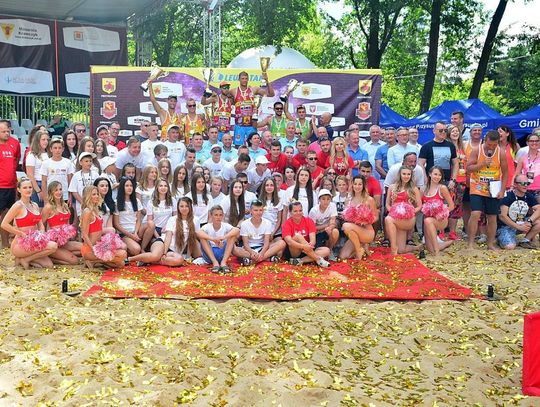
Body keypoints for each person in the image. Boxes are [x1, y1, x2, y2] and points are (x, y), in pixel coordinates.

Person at [1, 178, 57, 268]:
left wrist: (41, 234)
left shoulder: (35, 205)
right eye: (25, 188)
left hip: (35, 240)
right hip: (21, 243)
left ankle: (25, 259)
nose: (28, 190)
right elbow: (4, 224)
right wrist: (20, 233)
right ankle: (22, 257)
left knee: (48, 264)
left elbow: (40, 224)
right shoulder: (18, 206)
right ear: (19, 190)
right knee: (53, 246)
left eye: (30, 187)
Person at [467, 130, 508, 250]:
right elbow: (468, 168)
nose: (491, 147)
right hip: (477, 186)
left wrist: (502, 190)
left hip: (493, 188)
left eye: (494, 145)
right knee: (475, 213)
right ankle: (470, 244)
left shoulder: (501, 152)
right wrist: (482, 164)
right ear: (485, 140)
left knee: (492, 216)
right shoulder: (477, 150)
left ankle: (490, 244)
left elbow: (505, 173)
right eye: (489, 144)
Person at [127, 179, 175, 265]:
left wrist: (168, 228)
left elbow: (175, 217)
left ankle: (147, 259)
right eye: (161, 186)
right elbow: (150, 220)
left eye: (165, 186)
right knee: (157, 249)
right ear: (157, 188)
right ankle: (139, 252)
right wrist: (157, 236)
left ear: (168, 188)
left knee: (163, 253)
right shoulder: (151, 202)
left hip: (168, 230)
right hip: (155, 230)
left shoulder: (172, 200)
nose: (163, 188)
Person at [221, 71, 274, 146]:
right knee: (238, 146)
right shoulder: (234, 91)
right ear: (239, 79)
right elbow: (223, 98)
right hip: (239, 125)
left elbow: (271, 94)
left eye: (246, 78)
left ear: (248, 79)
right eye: (242, 78)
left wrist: (267, 80)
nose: (244, 80)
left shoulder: (254, 89)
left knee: (253, 145)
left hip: (251, 124)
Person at [80, 185, 127, 268]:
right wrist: (93, 249)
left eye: (97, 194)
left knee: (121, 264)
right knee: (123, 254)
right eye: (93, 194)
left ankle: (96, 262)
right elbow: (84, 235)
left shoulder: (95, 210)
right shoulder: (87, 212)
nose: (97, 196)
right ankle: (91, 259)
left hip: (99, 246)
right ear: (88, 196)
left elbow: (99, 231)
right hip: (90, 249)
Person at [234, 200, 286, 265]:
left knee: (282, 243)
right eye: (256, 210)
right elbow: (246, 244)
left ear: (263, 211)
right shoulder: (244, 224)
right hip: (248, 250)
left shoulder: (267, 223)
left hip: (262, 248)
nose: (258, 213)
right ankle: (268, 258)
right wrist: (252, 252)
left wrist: (262, 253)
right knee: (234, 249)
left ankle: (253, 261)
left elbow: (266, 244)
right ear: (251, 211)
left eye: (260, 210)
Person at [385, 166, 423, 255]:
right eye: (404, 174)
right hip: (395, 218)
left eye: (408, 174)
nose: (406, 176)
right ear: (400, 174)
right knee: (401, 250)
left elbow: (419, 206)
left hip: (408, 219)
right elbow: (387, 204)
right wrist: (393, 211)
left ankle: (393, 248)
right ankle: (417, 248)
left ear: (411, 175)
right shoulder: (392, 187)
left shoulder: (414, 189)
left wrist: (410, 211)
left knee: (388, 219)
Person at [340, 175, 378, 260]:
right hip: (353, 232)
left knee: (345, 226)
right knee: (343, 256)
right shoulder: (348, 200)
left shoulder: (369, 199)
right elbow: (346, 217)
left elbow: (376, 217)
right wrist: (351, 218)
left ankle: (358, 250)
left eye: (360, 184)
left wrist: (366, 220)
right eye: (355, 184)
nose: (357, 186)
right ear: (352, 185)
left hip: (367, 231)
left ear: (363, 185)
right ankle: (361, 247)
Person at [42, 181, 81, 265]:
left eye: (60, 189)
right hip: (54, 243)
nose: (59, 192)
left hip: (65, 242)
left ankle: (64, 254)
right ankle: (51, 257)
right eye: (56, 190)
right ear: (51, 192)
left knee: (83, 249)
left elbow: (68, 225)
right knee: (74, 261)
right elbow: (41, 224)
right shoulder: (48, 207)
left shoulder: (65, 205)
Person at [496, 174, 540, 250]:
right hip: (506, 226)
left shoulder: (528, 196)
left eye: (527, 183)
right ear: (515, 184)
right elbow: (502, 216)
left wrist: (529, 221)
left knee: (538, 222)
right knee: (510, 247)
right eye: (522, 183)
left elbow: (539, 208)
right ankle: (500, 238)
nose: (525, 185)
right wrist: (518, 227)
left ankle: (525, 240)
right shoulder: (508, 196)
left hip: (521, 223)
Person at [282, 201, 330, 267]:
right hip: (295, 251)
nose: (298, 213)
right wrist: (303, 247)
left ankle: (299, 261)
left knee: (326, 250)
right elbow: (289, 242)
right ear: (290, 213)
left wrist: (309, 245)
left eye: (300, 210)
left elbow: (313, 240)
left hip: (307, 250)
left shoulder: (309, 220)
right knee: (298, 236)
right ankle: (318, 259)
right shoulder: (287, 223)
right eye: (295, 211)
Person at [196, 205, 240, 273]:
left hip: (222, 253)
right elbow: (198, 233)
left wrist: (223, 237)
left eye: (220, 215)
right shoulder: (207, 226)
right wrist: (213, 239)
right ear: (211, 216)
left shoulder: (225, 225)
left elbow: (237, 230)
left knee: (232, 236)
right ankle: (215, 263)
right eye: (216, 215)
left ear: (222, 216)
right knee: (203, 238)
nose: (218, 217)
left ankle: (223, 263)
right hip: (210, 254)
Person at [422, 166, 455, 256]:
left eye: (439, 175)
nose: (437, 177)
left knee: (427, 220)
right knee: (429, 249)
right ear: (430, 174)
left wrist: (441, 212)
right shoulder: (423, 189)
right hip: (428, 221)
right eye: (435, 174)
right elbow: (420, 206)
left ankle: (437, 252)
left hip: (441, 220)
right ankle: (447, 243)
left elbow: (451, 206)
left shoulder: (442, 188)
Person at [160, 197, 202, 266]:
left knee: (198, 252)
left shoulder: (196, 220)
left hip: (182, 249)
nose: (184, 208)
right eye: (181, 206)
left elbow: (192, 238)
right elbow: (168, 237)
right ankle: (156, 260)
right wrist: (164, 253)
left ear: (190, 207)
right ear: (178, 207)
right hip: (170, 248)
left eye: (187, 206)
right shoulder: (172, 219)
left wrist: (188, 257)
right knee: (178, 260)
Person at [114, 177, 148, 256]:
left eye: (131, 186)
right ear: (122, 187)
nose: (129, 188)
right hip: (124, 233)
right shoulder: (117, 203)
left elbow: (138, 220)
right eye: (127, 186)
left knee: (150, 224)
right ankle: (131, 249)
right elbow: (116, 224)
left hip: (135, 230)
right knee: (136, 249)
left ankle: (143, 248)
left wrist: (135, 232)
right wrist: (130, 235)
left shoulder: (137, 201)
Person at [418, 121, 458, 189]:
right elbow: (420, 164)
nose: (443, 132)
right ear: (434, 131)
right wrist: (425, 179)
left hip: (447, 182)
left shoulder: (451, 146)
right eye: (440, 130)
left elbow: (456, 163)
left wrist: (453, 180)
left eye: (445, 130)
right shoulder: (426, 146)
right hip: (431, 181)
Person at [40, 137, 75, 203]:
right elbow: (44, 182)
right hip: (51, 196)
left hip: (64, 196)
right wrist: (45, 198)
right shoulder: (45, 163)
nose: (57, 150)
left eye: (59, 148)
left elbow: (70, 181)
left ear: (63, 149)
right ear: (51, 149)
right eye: (55, 148)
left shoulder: (68, 162)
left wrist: (70, 196)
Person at [447, 124, 467, 240]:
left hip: (462, 180)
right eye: (453, 131)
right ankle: (442, 230)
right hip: (451, 180)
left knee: (457, 207)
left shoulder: (462, 147)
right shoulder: (447, 146)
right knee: (448, 205)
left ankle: (453, 232)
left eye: (457, 131)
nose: (455, 133)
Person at [309, 189, 340, 261]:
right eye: (323, 199)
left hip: (326, 229)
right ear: (319, 200)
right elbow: (312, 228)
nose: (326, 201)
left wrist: (330, 227)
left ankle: (330, 250)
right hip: (317, 233)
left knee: (335, 231)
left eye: (328, 199)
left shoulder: (332, 206)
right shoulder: (314, 211)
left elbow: (333, 221)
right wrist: (326, 225)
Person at [25, 129, 49, 206]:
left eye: (47, 140)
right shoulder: (32, 155)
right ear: (37, 141)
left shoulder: (49, 154)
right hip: (37, 184)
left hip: (48, 183)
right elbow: (30, 175)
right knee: (38, 208)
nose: (46, 142)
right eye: (43, 139)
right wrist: (38, 191)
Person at [515, 132, 540, 202]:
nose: (534, 143)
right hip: (526, 189)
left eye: (536, 141)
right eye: (532, 141)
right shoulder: (522, 158)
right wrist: (513, 185)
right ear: (527, 143)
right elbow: (517, 174)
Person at [498, 125, 519, 190]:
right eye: (497, 132)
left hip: (511, 181)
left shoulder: (514, 146)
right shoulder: (494, 146)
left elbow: (520, 164)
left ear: (507, 134)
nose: (498, 133)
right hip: (496, 180)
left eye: (500, 131)